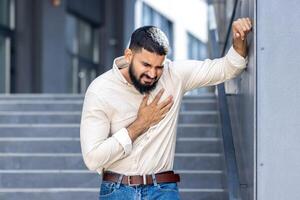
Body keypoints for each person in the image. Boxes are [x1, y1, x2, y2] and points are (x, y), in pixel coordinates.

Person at [80, 17, 252, 200]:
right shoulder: (101, 90)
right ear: (128, 56)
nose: (153, 74)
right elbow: (92, 159)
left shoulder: (174, 75)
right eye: (146, 65)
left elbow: (228, 68)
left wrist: (239, 37)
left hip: (162, 190)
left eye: (158, 67)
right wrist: (140, 124)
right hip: (117, 191)